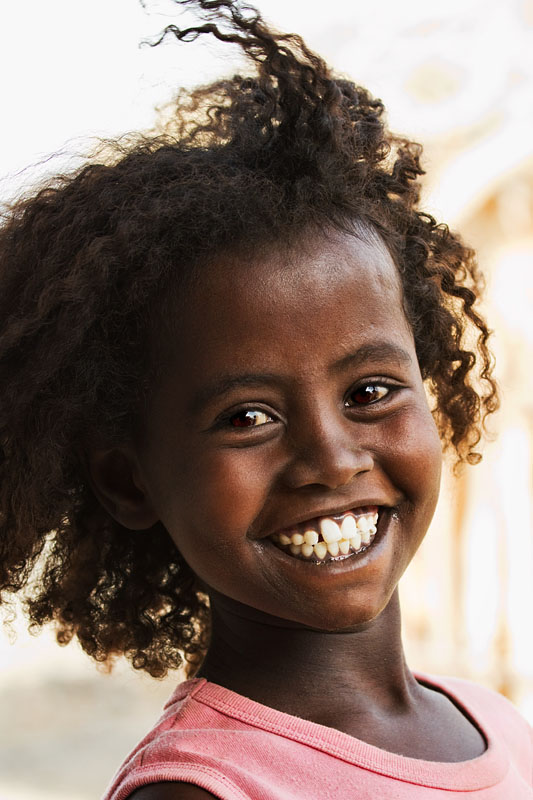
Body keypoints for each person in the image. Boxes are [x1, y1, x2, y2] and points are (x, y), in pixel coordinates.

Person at [0, 0, 530, 797]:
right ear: (129, 480)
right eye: (248, 417)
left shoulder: (496, 725)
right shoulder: (203, 788)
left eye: (370, 391)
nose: (330, 456)